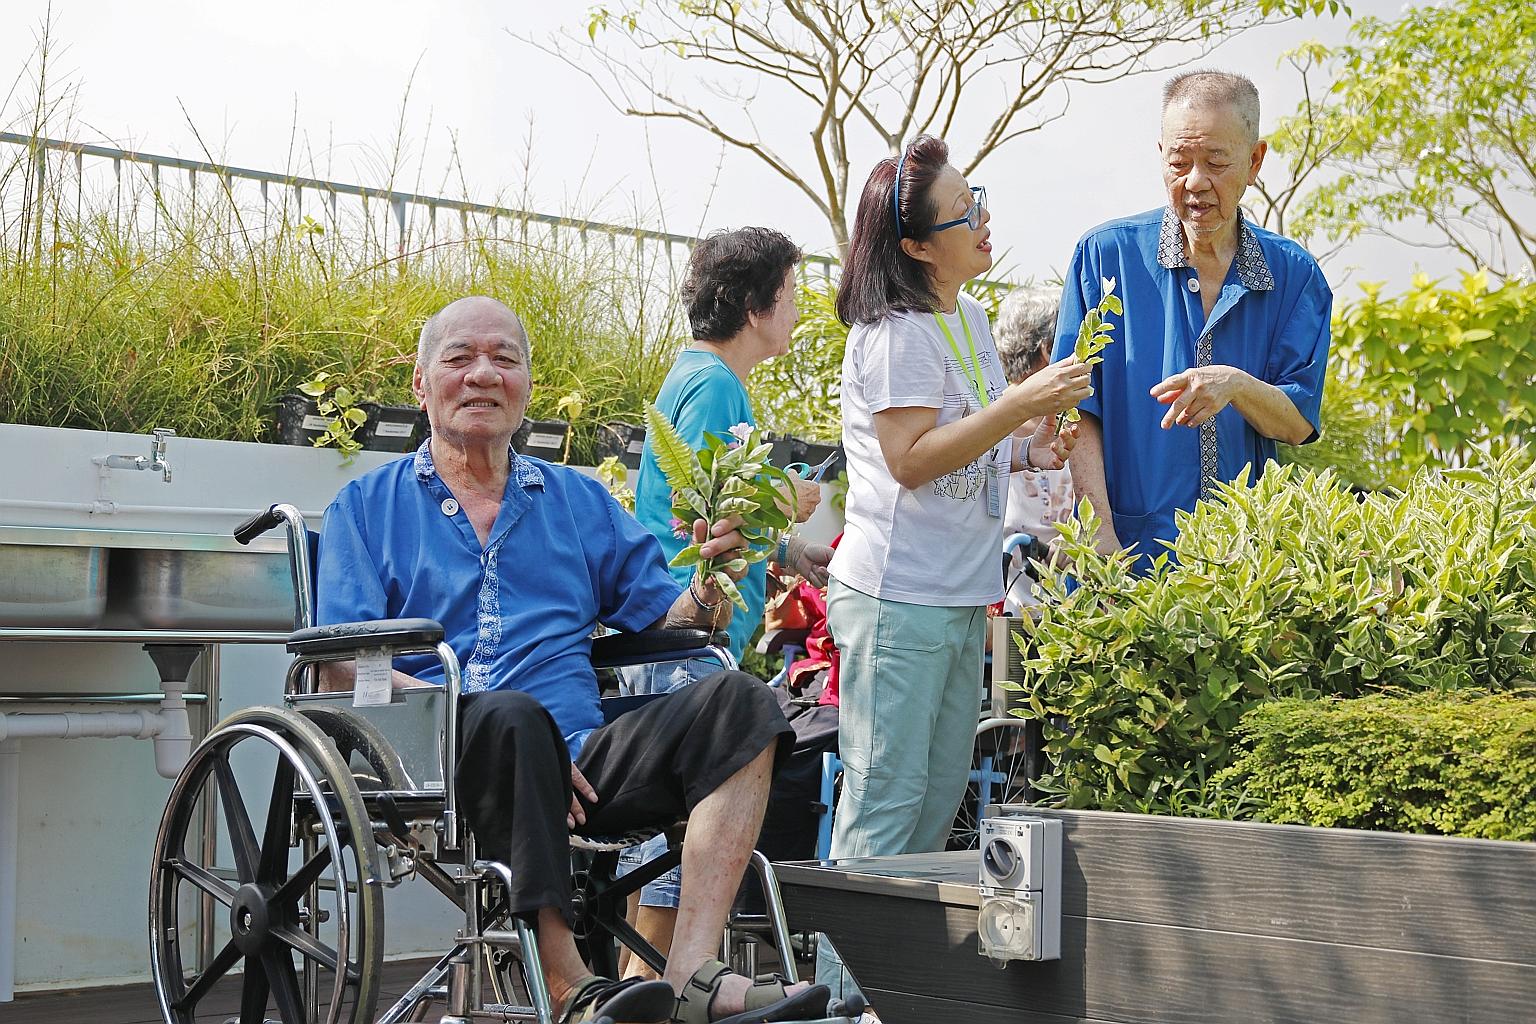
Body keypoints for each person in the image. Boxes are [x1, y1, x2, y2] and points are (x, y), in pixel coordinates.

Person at [316, 295, 830, 1024]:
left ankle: (692, 977)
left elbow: (672, 619)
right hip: (433, 750)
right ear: (422, 386)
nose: (483, 375)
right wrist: (497, 735)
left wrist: (713, 581)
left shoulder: (577, 501)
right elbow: (345, 665)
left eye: (505, 359)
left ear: (526, 386)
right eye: (459, 359)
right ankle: (568, 985)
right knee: (514, 721)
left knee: (742, 701)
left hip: (581, 758)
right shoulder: (364, 507)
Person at [826, 134, 1091, 863]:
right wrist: (1016, 408)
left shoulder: (968, 317)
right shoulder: (895, 333)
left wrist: (1030, 447)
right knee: (886, 804)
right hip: (896, 599)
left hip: (956, 596)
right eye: (960, 212)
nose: (981, 220)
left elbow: (970, 439)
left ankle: (890, 979)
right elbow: (909, 462)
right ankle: (837, 980)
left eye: (978, 200)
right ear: (915, 247)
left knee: (939, 799)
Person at [620, 227, 833, 974]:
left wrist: (792, 554)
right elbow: (705, 508)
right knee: (674, 848)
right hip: (683, 642)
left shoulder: (702, 378)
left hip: (688, 638)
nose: (798, 306)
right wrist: (792, 496)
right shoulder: (715, 384)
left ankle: (645, 991)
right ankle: (651, 994)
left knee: (666, 845)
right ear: (753, 304)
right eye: (790, 292)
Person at [1054, 70, 1331, 570]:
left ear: (1255, 161)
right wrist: (1097, 529)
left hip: (1241, 575)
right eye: (1179, 162)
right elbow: (1074, 407)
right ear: (1160, 154)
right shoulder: (1104, 256)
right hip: (1120, 560)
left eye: (1217, 162)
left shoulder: (1294, 275)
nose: (1196, 182)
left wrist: (1235, 385)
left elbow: (1297, 422)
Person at [994, 285, 1077, 612]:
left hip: (1067, 610)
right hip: (1008, 610)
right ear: (1047, 351)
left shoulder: (1071, 423)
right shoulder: (992, 423)